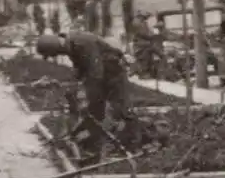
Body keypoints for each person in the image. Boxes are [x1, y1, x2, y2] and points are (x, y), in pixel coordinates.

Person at [56, 31, 130, 165]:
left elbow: (96, 73)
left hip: (114, 77)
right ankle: (91, 144)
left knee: (116, 112)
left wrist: (89, 94)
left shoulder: (83, 43)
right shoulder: (75, 46)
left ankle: (109, 148)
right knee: (95, 113)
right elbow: (80, 70)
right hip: (103, 78)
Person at [131, 11, 162, 78]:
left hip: (145, 45)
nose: (146, 18)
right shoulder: (139, 24)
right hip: (141, 46)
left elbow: (148, 33)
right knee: (149, 53)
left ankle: (151, 71)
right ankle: (145, 72)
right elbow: (144, 34)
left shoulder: (144, 23)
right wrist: (153, 35)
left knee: (152, 52)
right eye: (145, 17)